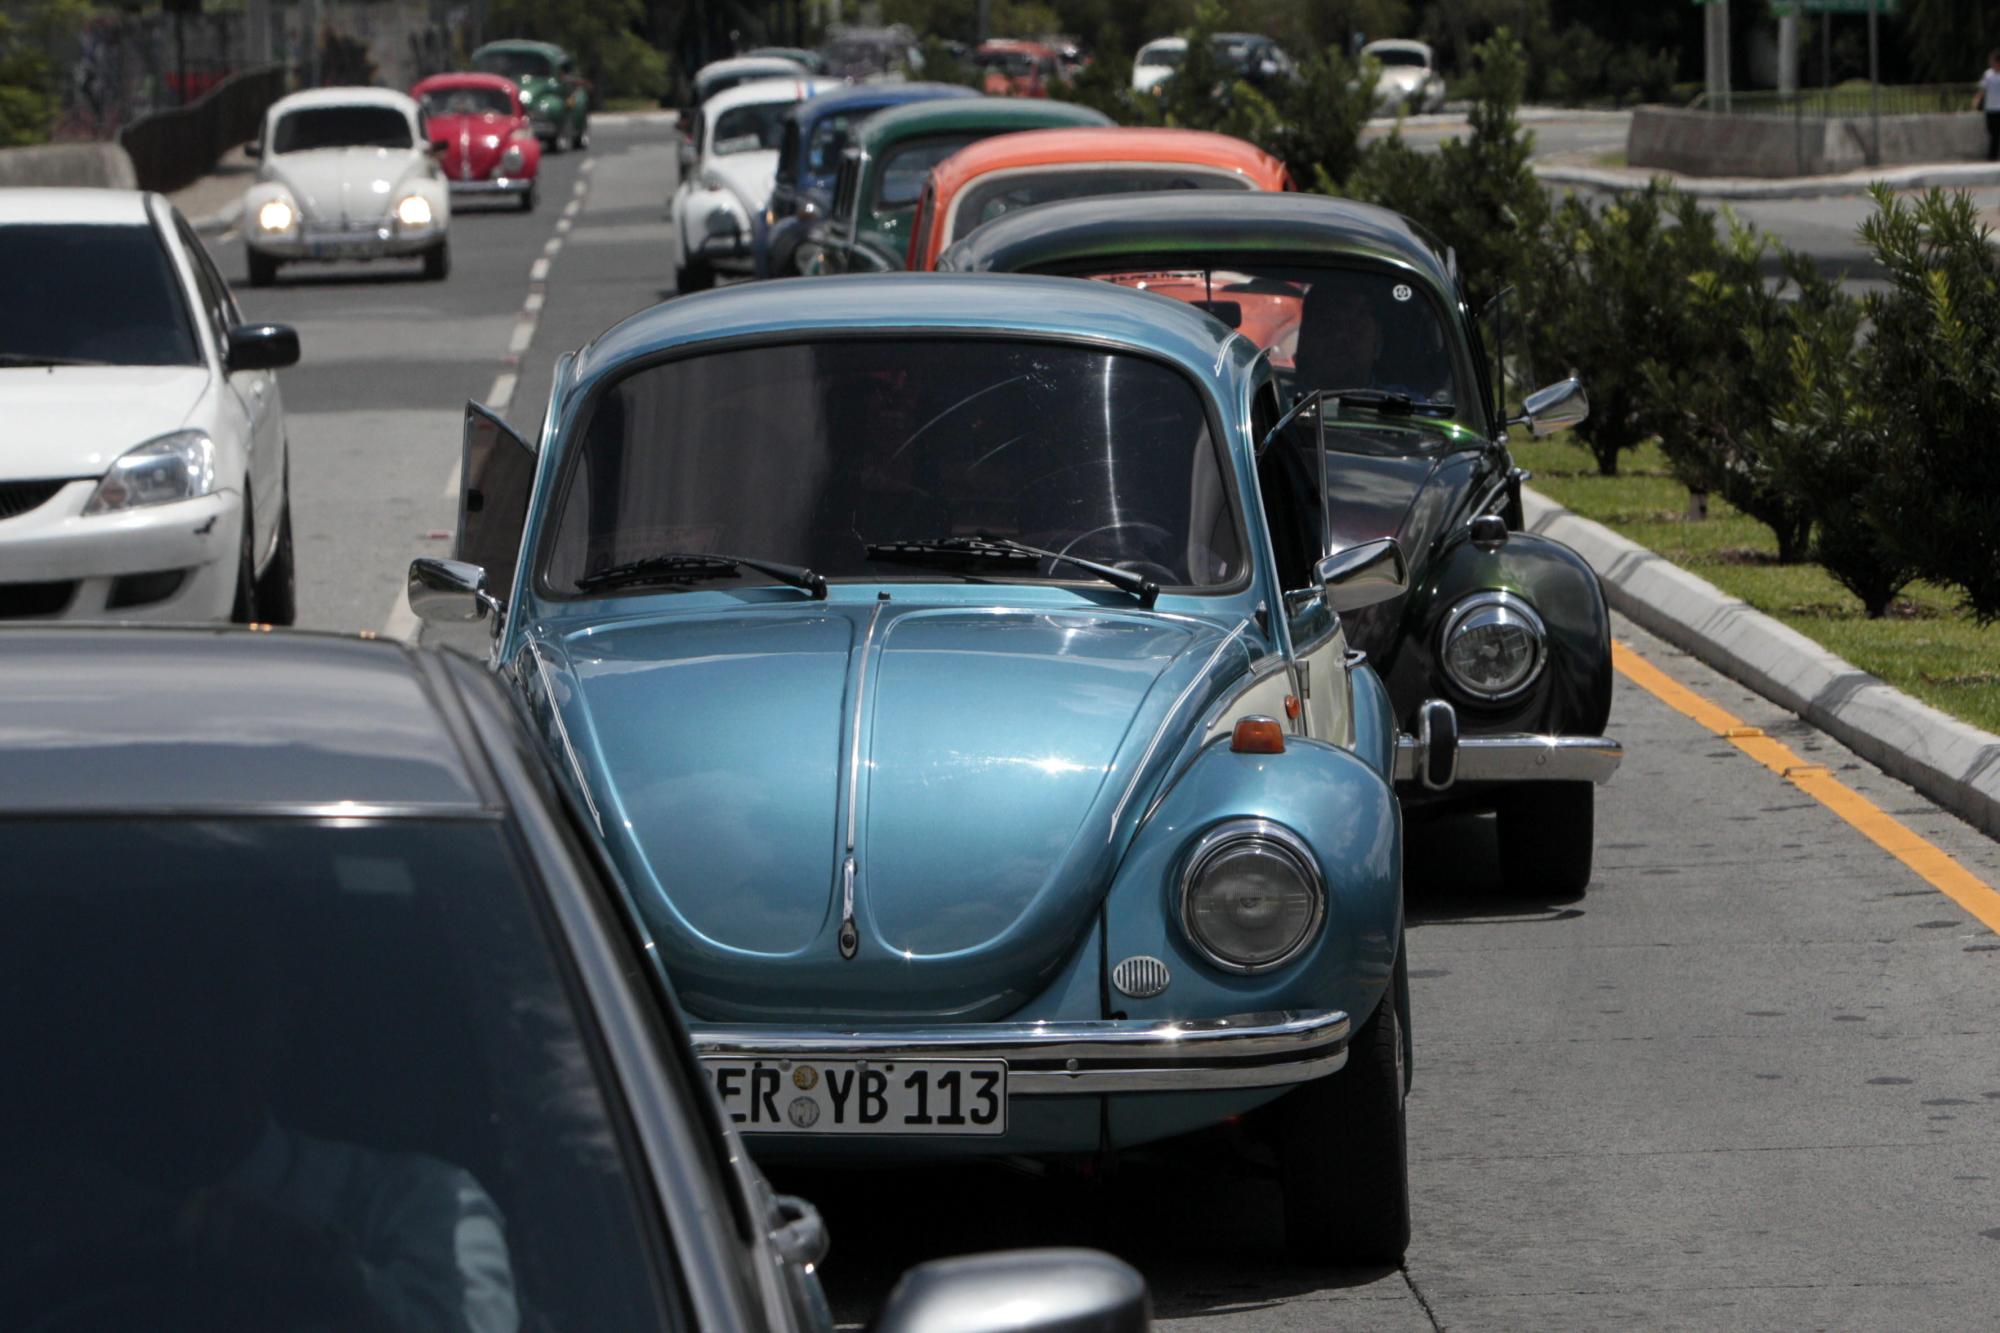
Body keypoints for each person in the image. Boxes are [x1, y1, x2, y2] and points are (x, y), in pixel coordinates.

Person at [1978, 51, 2000, 162]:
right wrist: (1977, 100)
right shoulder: (1988, 74)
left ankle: (1993, 156)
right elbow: (1983, 89)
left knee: (1996, 133)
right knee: (1992, 132)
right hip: (1990, 108)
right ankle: (1993, 155)